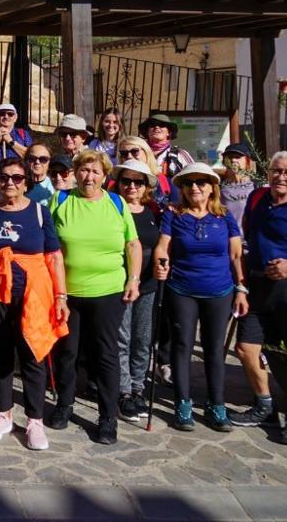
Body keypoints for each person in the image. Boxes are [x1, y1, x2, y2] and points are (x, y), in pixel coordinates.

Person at [0, 156, 67, 449]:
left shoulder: (39, 213)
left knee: (32, 354)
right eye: (4, 177)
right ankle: (3, 413)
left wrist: (61, 296)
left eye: (17, 178)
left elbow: (54, 257)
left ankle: (35, 420)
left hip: (33, 296)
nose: (10, 182)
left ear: (26, 182)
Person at [48, 149, 141, 445]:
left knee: (106, 355)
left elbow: (133, 244)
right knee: (67, 352)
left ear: (105, 176)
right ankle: (64, 404)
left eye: (96, 172)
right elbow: (49, 245)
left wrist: (134, 279)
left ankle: (107, 418)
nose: (90, 176)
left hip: (108, 290)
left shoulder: (116, 203)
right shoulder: (61, 200)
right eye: (85, 171)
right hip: (67, 292)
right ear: (76, 172)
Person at [153, 162, 246, 431]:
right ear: (181, 188)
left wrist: (241, 288)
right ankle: (183, 402)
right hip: (182, 289)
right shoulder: (174, 214)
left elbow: (236, 255)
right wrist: (161, 262)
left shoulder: (224, 216)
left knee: (214, 349)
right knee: (182, 346)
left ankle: (216, 404)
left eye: (201, 182)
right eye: (189, 183)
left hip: (219, 291)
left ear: (211, 187)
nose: (195, 187)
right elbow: (163, 246)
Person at [229, 150, 287, 444]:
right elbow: (246, 235)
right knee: (246, 348)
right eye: (276, 170)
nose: (280, 176)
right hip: (258, 285)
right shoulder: (257, 198)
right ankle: (264, 405)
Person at [111, 159, 161, 423]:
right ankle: (124, 392)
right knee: (122, 338)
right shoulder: (112, 207)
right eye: (126, 181)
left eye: (138, 182)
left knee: (143, 339)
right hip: (120, 281)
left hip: (149, 283)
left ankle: (138, 387)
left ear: (146, 187)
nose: (132, 186)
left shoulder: (154, 210)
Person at [114, 136, 178, 208]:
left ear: (146, 152)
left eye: (135, 151)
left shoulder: (165, 182)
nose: (129, 156)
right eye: (124, 153)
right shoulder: (114, 183)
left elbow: (178, 210)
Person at [139, 114, 194, 180]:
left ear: (169, 133)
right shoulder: (137, 152)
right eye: (152, 125)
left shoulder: (180, 154)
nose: (156, 127)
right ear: (147, 132)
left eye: (162, 125)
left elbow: (193, 175)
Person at [217, 142, 256, 227]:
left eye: (237, 157)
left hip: (251, 238)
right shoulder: (218, 188)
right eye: (230, 157)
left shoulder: (257, 186)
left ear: (247, 161)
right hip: (228, 238)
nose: (233, 160)